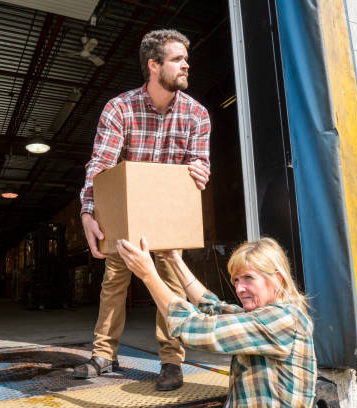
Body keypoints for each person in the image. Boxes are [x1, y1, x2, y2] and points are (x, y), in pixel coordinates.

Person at [74, 28, 211, 392]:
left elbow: (199, 166)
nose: (186, 64)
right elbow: (100, 165)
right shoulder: (120, 108)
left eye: (186, 58)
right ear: (153, 65)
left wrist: (200, 170)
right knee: (113, 283)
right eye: (177, 59)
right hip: (127, 218)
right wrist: (88, 211)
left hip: (167, 218)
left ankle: (171, 360)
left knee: (170, 288)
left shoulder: (197, 114)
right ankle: (104, 354)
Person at [116, 237, 317, 407]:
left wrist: (148, 275)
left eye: (248, 278)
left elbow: (194, 328)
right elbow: (213, 306)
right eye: (237, 280)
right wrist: (174, 260)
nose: (239, 288)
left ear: (278, 279)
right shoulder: (268, 315)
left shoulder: (282, 320)